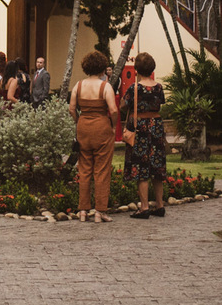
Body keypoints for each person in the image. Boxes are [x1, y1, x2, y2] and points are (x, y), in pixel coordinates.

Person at [71, 50, 119, 223]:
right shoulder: (105, 87)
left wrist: (79, 122)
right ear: (101, 68)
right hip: (101, 127)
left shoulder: (78, 85)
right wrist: (112, 125)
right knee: (102, 170)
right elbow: (113, 110)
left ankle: (83, 210)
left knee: (84, 170)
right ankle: (100, 211)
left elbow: (71, 108)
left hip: (83, 126)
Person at [121, 52, 167, 219]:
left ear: (137, 69)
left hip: (139, 127)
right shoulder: (159, 87)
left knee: (141, 166)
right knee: (157, 165)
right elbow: (159, 103)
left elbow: (124, 106)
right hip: (156, 127)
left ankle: (144, 207)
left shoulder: (135, 88)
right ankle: (160, 205)